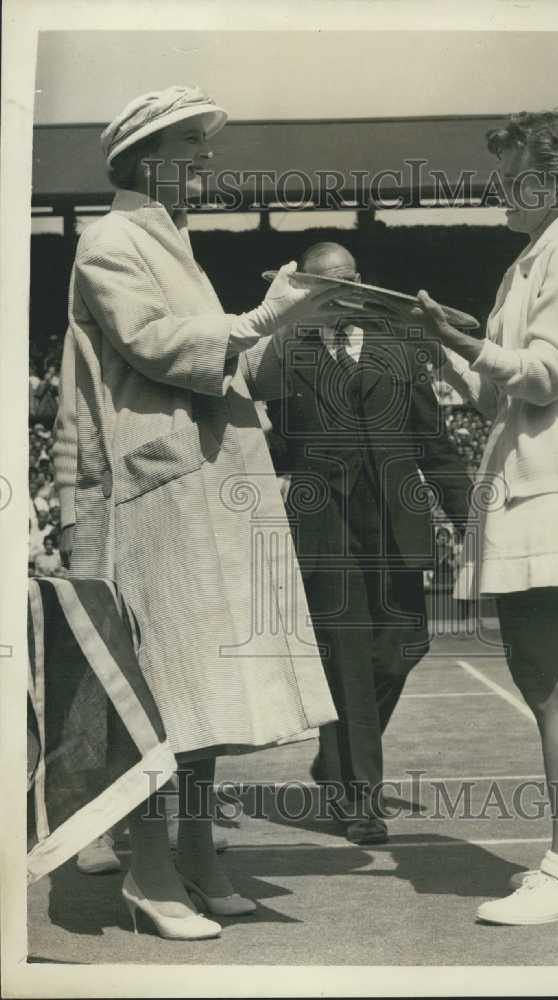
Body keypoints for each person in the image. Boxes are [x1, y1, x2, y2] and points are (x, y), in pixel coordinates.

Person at [53, 85, 342, 940]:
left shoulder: (169, 238)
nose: (207, 165)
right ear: (150, 163)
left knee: (208, 684)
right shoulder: (108, 237)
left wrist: (276, 323)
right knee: (164, 688)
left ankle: (198, 856)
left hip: (204, 481)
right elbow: (153, 343)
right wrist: (257, 318)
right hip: (152, 490)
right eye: (193, 150)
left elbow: (217, 354)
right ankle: (147, 873)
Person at [417, 108, 558, 925]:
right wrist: (439, 338)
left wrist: (468, 346)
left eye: (510, 176)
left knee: (545, 681)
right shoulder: (529, 261)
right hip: (524, 488)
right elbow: (493, 393)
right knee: (546, 678)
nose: (497, 188)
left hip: (550, 493)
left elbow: (539, 378)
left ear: (550, 181)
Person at [247, 241, 472, 844]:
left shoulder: (400, 352)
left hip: (396, 523)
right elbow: (263, 444)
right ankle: (360, 801)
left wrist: (470, 519)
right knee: (347, 661)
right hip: (325, 528)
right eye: (329, 286)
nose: (344, 294)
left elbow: (433, 442)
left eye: (352, 281)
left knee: (404, 648)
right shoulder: (284, 354)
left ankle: (337, 760)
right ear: (308, 292)